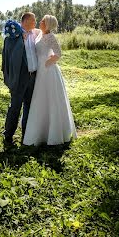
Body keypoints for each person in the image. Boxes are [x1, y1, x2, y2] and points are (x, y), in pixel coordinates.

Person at [22, 14, 77, 146]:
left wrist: (49, 61)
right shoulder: (38, 33)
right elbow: (26, 30)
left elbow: (59, 53)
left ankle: (53, 132)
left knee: (51, 100)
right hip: (39, 71)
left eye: (42, 21)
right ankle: (40, 131)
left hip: (48, 71)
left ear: (47, 24)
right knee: (40, 99)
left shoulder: (50, 37)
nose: (40, 21)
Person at [2, 12, 40, 146]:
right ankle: (8, 136)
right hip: (19, 78)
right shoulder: (14, 35)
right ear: (26, 21)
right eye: (33, 20)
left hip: (33, 77)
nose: (35, 23)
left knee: (29, 107)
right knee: (15, 107)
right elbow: (7, 58)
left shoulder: (35, 35)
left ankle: (26, 136)